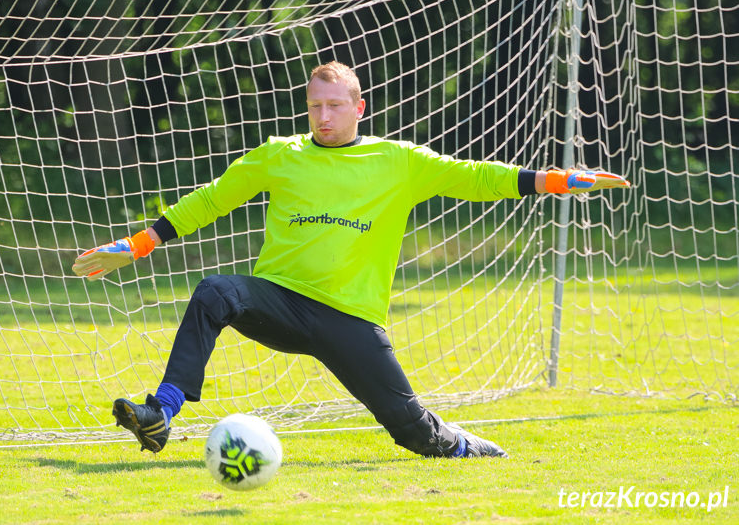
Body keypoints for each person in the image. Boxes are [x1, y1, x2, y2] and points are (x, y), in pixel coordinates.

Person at [72, 61, 629, 459]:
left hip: (350, 320)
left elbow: (475, 177)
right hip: (282, 302)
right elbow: (213, 199)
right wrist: (139, 244)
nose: (324, 115)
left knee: (415, 434)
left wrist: (556, 180)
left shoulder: (398, 161)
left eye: (335, 105)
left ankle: (458, 440)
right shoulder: (280, 156)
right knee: (215, 291)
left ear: (359, 107)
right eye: (315, 105)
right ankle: (161, 413)